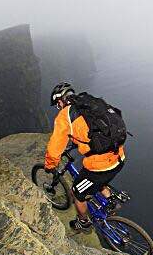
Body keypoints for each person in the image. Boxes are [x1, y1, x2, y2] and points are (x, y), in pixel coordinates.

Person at [44, 82, 125, 230]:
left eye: (57, 104)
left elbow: (55, 146)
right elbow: (94, 131)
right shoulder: (90, 103)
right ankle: (110, 200)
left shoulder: (65, 115)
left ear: (60, 100)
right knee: (96, 180)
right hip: (119, 155)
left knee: (77, 192)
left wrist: (50, 165)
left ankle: (83, 222)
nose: (58, 107)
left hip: (101, 166)